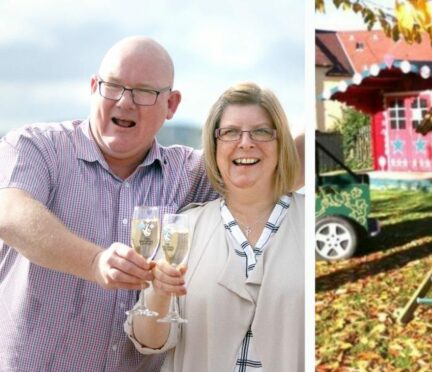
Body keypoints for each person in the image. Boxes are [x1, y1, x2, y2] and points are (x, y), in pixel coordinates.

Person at [0, 36, 217, 371]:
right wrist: (94, 262)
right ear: (93, 87)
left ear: (171, 104)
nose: (125, 102)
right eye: (113, 86)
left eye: (144, 92)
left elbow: (276, 164)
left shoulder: (188, 174)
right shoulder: (37, 146)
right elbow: (10, 214)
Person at [125, 82, 304, 371]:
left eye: (261, 131)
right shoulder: (185, 228)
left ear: (280, 142)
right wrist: (158, 292)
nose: (245, 143)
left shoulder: (312, 221)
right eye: (231, 132)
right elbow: (149, 340)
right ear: (214, 144)